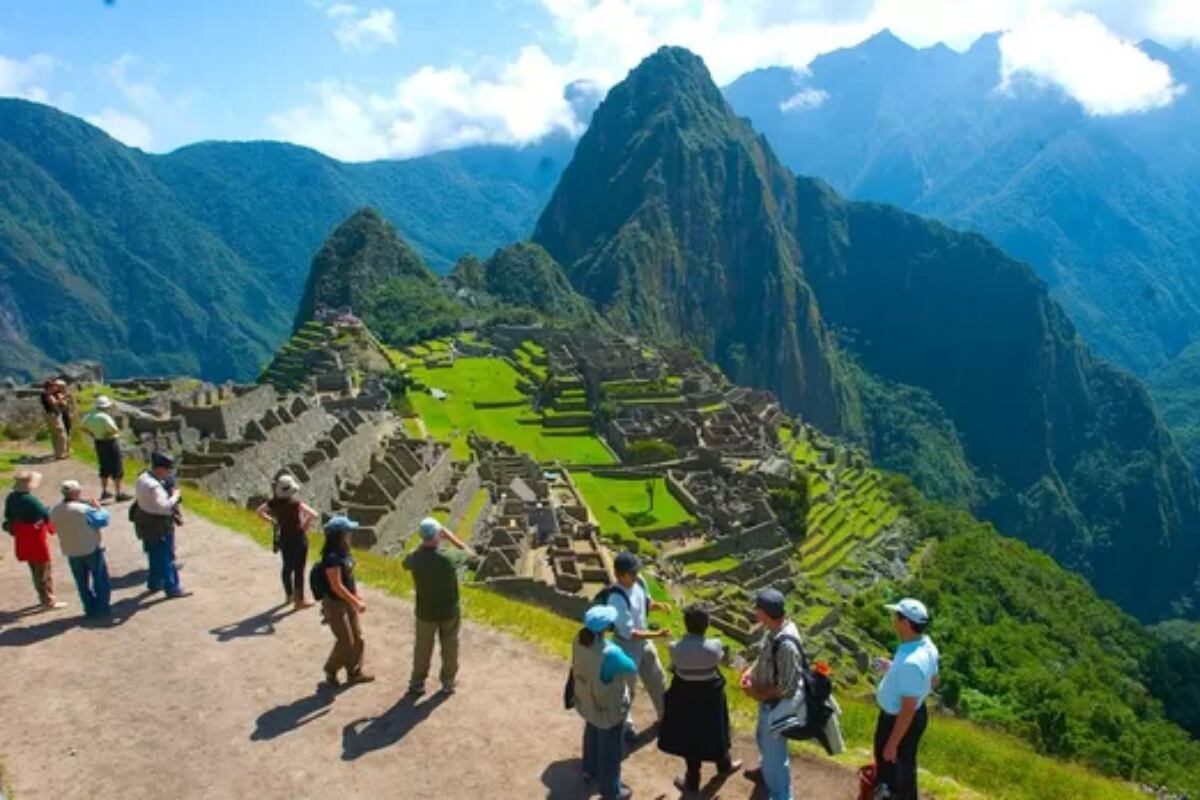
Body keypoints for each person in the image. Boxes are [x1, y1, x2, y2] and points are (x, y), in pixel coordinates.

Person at [658, 605, 742, 794]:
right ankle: (724, 765)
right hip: (710, 699)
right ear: (707, 625)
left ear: (686, 625)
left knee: (691, 739)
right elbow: (720, 660)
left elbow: (674, 667)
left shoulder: (675, 649)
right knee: (718, 731)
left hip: (685, 699)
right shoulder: (715, 646)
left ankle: (692, 781)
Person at [873, 598, 939, 800]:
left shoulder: (912, 662)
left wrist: (893, 742)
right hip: (914, 715)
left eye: (896, 616)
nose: (892, 620)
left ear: (905, 623)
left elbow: (907, 709)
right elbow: (934, 680)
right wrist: (893, 669)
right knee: (905, 767)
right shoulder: (925, 645)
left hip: (899, 721)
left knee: (893, 770)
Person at [740, 588, 802, 800]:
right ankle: (765, 773)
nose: (755, 613)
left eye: (757, 610)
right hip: (766, 704)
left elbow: (787, 688)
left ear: (765, 613)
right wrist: (751, 671)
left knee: (776, 759)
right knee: (762, 740)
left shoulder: (786, 645)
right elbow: (764, 656)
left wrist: (756, 692)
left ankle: (781, 795)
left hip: (776, 708)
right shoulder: (773, 630)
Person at [572, 604, 638, 800]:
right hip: (608, 706)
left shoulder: (578, 639)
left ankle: (589, 769)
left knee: (591, 730)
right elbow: (631, 666)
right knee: (610, 748)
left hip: (586, 699)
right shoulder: (611, 653)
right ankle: (612, 791)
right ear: (607, 628)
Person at [403, 517, 474, 696]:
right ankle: (448, 683)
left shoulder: (415, 559)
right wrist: (450, 537)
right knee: (450, 647)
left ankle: (417, 682)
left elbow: (406, 561)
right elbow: (470, 554)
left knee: (422, 648)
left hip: (425, 611)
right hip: (449, 611)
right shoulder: (448, 557)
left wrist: (422, 544)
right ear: (438, 535)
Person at [606, 551, 671, 739]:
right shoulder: (616, 597)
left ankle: (665, 716)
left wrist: (659, 606)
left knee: (657, 679)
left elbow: (645, 603)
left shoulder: (639, 582)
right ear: (619, 575)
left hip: (644, 642)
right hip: (625, 646)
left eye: (636, 572)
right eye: (631, 573)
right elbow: (630, 633)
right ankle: (627, 727)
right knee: (627, 689)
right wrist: (658, 634)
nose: (636, 576)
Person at [319, 515, 374, 687]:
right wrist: (355, 601)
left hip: (347, 601)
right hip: (335, 605)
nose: (351, 533)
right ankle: (330, 669)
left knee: (359, 638)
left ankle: (354, 672)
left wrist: (355, 596)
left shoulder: (344, 551)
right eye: (348, 531)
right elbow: (336, 586)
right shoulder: (331, 557)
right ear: (340, 535)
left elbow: (349, 577)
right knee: (345, 641)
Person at [3, 470, 66, 610]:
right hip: (36, 538)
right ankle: (48, 600)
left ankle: (42, 596)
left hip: (22, 538)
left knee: (34, 568)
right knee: (44, 569)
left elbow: (8, 516)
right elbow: (45, 515)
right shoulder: (31, 500)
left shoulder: (11, 498)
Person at [49, 480, 112, 618]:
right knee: (100, 579)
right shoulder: (83, 510)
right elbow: (103, 520)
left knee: (82, 582)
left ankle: (89, 608)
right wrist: (99, 508)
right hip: (90, 548)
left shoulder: (55, 510)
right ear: (76, 492)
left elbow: (52, 528)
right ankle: (102, 607)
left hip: (71, 550)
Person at [256, 474, 318, 610]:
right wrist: (305, 524)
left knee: (287, 568)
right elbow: (314, 514)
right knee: (299, 570)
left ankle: (289, 596)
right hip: (298, 538)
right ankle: (299, 601)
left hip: (284, 538)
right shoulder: (296, 503)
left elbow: (259, 511)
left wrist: (272, 521)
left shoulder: (274, 502)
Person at [133, 452, 186, 597]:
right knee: (166, 555)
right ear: (159, 468)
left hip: (144, 519)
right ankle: (172, 587)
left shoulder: (142, 477)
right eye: (167, 469)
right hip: (159, 523)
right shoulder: (154, 486)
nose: (168, 473)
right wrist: (176, 495)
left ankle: (154, 582)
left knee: (153, 552)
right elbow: (165, 506)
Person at [81, 395, 130, 503]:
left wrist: (93, 434)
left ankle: (104, 491)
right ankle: (119, 493)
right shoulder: (105, 417)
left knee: (104, 466)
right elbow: (114, 430)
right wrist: (106, 434)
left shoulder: (90, 415)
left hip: (98, 442)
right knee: (117, 467)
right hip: (110, 442)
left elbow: (83, 427)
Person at [39, 380, 69, 460]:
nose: (55, 388)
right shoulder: (47, 394)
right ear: (50, 387)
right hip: (53, 415)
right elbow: (54, 403)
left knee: (55, 434)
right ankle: (61, 454)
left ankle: (57, 452)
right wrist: (63, 398)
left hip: (50, 415)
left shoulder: (47, 394)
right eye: (54, 386)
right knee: (61, 434)